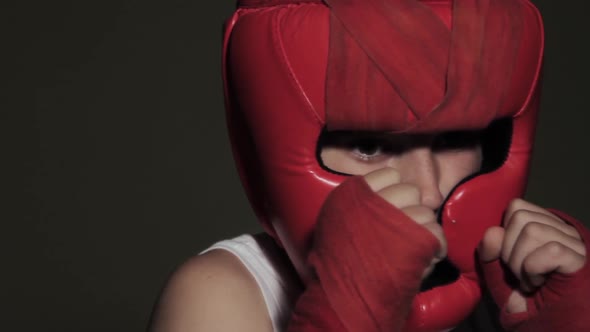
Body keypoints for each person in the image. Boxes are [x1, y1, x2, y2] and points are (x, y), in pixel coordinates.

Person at [148, 0, 590, 331]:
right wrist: (347, 314)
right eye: (368, 146)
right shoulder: (222, 293)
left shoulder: (519, 287)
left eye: (455, 139)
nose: (429, 191)